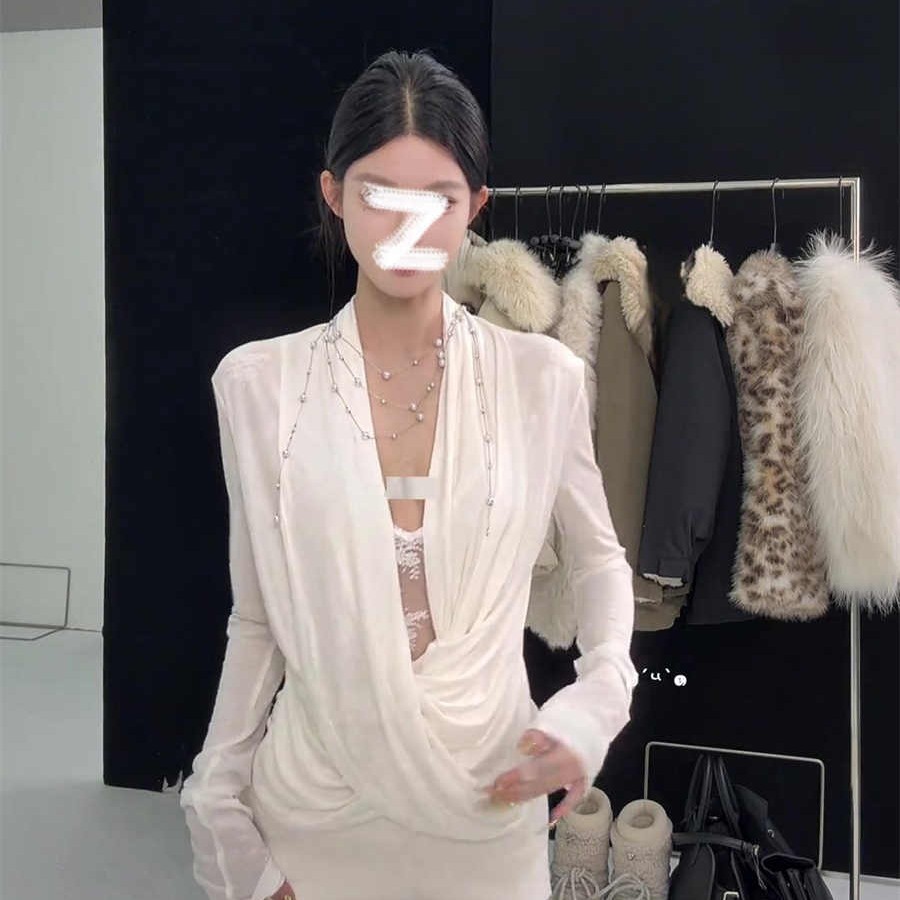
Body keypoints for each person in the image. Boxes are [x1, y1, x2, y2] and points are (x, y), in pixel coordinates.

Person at [180, 48, 639, 900]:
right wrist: (218, 805)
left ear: (476, 208)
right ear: (333, 194)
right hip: (315, 812)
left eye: (438, 202)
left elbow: (599, 561)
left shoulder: (542, 380)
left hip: (488, 804)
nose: (405, 230)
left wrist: (597, 701)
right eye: (377, 196)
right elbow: (259, 618)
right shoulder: (259, 387)